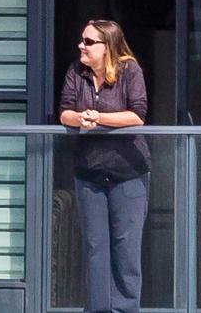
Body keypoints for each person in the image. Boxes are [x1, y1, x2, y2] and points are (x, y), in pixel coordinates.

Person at [60, 16, 153, 313]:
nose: (81, 46)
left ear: (107, 46)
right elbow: (64, 113)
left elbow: (137, 115)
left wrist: (97, 118)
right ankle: (98, 309)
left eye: (88, 42)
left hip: (128, 171)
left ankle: (126, 309)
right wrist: (81, 117)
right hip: (89, 170)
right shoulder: (77, 71)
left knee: (126, 248)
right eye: (82, 40)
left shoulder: (129, 69)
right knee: (95, 247)